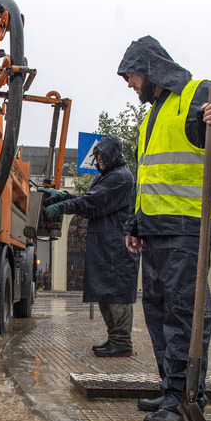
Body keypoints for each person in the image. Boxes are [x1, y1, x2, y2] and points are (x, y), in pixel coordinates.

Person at [117, 36, 211, 421]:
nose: (129, 85)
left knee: (185, 313)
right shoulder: (153, 116)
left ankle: (185, 399)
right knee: (158, 311)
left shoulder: (199, 94)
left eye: (130, 76)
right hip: (157, 227)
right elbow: (149, 178)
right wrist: (135, 223)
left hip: (190, 223)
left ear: (148, 69)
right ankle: (169, 388)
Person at [42, 134, 140, 358]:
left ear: (113, 155)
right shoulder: (108, 176)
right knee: (106, 293)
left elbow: (91, 202)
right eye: (98, 157)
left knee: (116, 296)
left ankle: (122, 342)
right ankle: (115, 339)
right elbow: (91, 198)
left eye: (103, 157)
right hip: (106, 244)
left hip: (115, 247)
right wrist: (64, 196)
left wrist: (61, 206)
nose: (100, 161)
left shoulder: (120, 177)